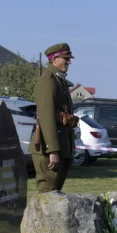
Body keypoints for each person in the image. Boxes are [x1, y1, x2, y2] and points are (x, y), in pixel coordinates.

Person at [30, 43, 78, 194]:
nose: (69, 62)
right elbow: (46, 118)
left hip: (61, 147)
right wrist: (53, 150)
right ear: (55, 59)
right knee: (47, 195)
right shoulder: (48, 81)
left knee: (54, 195)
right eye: (66, 58)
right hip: (48, 149)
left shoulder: (59, 81)